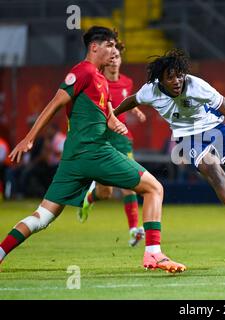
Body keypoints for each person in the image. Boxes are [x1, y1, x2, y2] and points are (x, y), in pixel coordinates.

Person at [0, 26, 185, 273]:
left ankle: (1, 252)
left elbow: (108, 114)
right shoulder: (83, 71)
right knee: (154, 188)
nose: (113, 50)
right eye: (109, 45)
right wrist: (29, 138)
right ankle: (154, 254)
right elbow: (55, 103)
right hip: (94, 151)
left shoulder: (101, 80)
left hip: (73, 159)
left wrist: (115, 121)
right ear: (94, 47)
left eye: (115, 46)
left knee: (42, 218)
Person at [114, 49, 225, 238]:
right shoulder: (150, 91)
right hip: (188, 138)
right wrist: (112, 115)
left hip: (215, 128)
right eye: (170, 77)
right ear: (160, 80)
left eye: (179, 76)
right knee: (215, 173)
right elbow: (131, 100)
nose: (177, 81)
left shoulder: (197, 86)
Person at [78, 43, 148, 247]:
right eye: (112, 56)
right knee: (106, 193)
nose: (115, 60)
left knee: (131, 184)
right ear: (106, 60)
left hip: (122, 139)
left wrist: (136, 111)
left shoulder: (127, 81)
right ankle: (90, 198)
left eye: (118, 56)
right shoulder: (97, 82)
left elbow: (126, 102)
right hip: (102, 138)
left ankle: (134, 229)